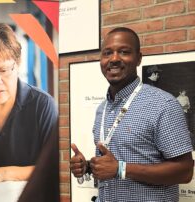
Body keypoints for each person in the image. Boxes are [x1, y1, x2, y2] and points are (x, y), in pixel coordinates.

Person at [70, 27, 194, 202]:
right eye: (107, 53)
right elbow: (112, 165)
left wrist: (121, 169)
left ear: (138, 58)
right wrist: (89, 167)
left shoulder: (163, 105)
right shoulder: (102, 109)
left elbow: (185, 171)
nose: (114, 59)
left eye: (124, 52)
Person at [0, 21, 58, 198]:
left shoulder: (43, 105)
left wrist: (3, 173)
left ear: (18, 63)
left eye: (4, 70)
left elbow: (55, 167)